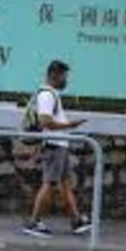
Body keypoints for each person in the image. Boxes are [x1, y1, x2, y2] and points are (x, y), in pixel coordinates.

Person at [22, 60, 92, 238]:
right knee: (50, 185)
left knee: (66, 184)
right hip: (54, 146)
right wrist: (70, 125)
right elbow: (45, 121)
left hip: (59, 145)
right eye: (64, 77)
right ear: (55, 75)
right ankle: (34, 223)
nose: (66, 81)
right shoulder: (47, 95)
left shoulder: (51, 94)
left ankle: (76, 220)